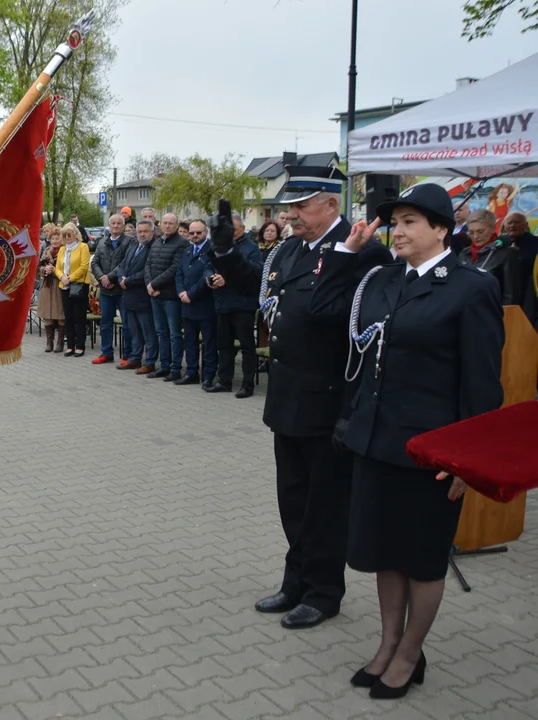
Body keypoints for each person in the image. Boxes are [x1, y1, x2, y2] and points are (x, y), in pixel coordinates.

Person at [310, 183, 503, 698]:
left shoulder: (470, 287)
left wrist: (471, 460)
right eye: (395, 222)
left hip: (434, 453)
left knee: (420, 557)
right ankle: (387, 643)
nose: (398, 230)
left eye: (410, 221)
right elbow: (325, 307)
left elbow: (483, 383)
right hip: (376, 442)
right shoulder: (383, 280)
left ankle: (411, 653)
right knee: (383, 551)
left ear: (442, 229)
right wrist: (347, 252)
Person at [208, 166, 393, 629]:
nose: (290, 216)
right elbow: (258, 286)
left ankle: (325, 591)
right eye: (289, 207)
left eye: (300, 206)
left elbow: (341, 319)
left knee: (324, 505)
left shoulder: (364, 252)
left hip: (330, 399)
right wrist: (226, 249)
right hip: (288, 396)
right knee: (292, 499)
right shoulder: (290, 249)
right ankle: (296, 582)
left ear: (331, 204)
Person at [204, 212, 261, 398]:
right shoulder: (219, 247)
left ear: (242, 229)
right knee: (224, 345)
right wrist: (210, 277)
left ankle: (247, 384)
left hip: (243, 304)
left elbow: (254, 272)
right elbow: (208, 265)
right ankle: (224, 381)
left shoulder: (251, 248)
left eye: (233, 229)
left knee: (246, 346)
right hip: (222, 303)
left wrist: (227, 279)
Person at [145, 213, 189, 381]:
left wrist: (154, 285)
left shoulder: (182, 244)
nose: (168, 226)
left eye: (171, 223)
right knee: (161, 332)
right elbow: (148, 265)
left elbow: (174, 269)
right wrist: (149, 285)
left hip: (170, 297)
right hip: (155, 295)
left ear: (177, 225)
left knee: (174, 334)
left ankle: (176, 368)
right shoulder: (156, 242)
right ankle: (164, 366)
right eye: (165, 223)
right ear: (160, 224)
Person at [174, 219, 216, 388]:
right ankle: (191, 372)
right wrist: (181, 292)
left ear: (206, 232)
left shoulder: (212, 251)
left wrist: (191, 294)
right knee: (190, 341)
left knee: (209, 343)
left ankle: (209, 375)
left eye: (198, 232)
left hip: (204, 304)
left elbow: (206, 277)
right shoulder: (188, 250)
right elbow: (179, 273)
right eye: (192, 233)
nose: (195, 236)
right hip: (187, 304)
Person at [117, 219, 158, 372]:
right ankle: (135, 358)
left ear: (152, 232)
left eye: (145, 231)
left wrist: (128, 280)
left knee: (148, 332)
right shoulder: (133, 245)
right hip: (128, 296)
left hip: (142, 296)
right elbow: (123, 264)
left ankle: (150, 362)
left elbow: (148, 271)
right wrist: (121, 277)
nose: (142, 234)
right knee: (133, 330)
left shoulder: (154, 247)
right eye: (139, 231)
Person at [90, 213, 131, 364]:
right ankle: (106, 353)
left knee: (127, 323)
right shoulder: (102, 241)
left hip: (122, 290)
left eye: (118, 223)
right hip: (106, 291)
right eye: (112, 223)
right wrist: (102, 278)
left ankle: (128, 355)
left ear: (123, 225)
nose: (115, 226)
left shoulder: (129, 242)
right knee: (105, 323)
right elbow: (94, 262)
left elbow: (126, 262)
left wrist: (111, 277)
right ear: (109, 225)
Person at [459, 209, 519, 305]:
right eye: (471, 232)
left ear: (492, 228)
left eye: (480, 231)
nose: (475, 236)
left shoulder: (506, 254)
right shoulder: (464, 254)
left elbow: (510, 294)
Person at [56, 222, 91, 357]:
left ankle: (80, 345)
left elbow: (84, 267)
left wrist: (69, 278)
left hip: (79, 286)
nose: (67, 237)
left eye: (70, 234)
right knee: (68, 317)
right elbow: (58, 267)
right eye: (65, 235)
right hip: (64, 286)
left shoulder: (83, 247)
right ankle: (70, 345)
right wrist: (62, 277)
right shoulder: (62, 249)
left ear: (76, 235)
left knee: (79, 317)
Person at [37, 227, 66, 352]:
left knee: (60, 314)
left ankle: (60, 342)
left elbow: (67, 268)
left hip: (59, 285)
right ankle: (49, 342)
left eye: (57, 238)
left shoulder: (65, 251)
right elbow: (39, 268)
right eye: (53, 238)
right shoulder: (46, 251)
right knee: (47, 314)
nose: (55, 240)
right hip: (47, 286)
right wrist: (44, 270)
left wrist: (54, 271)